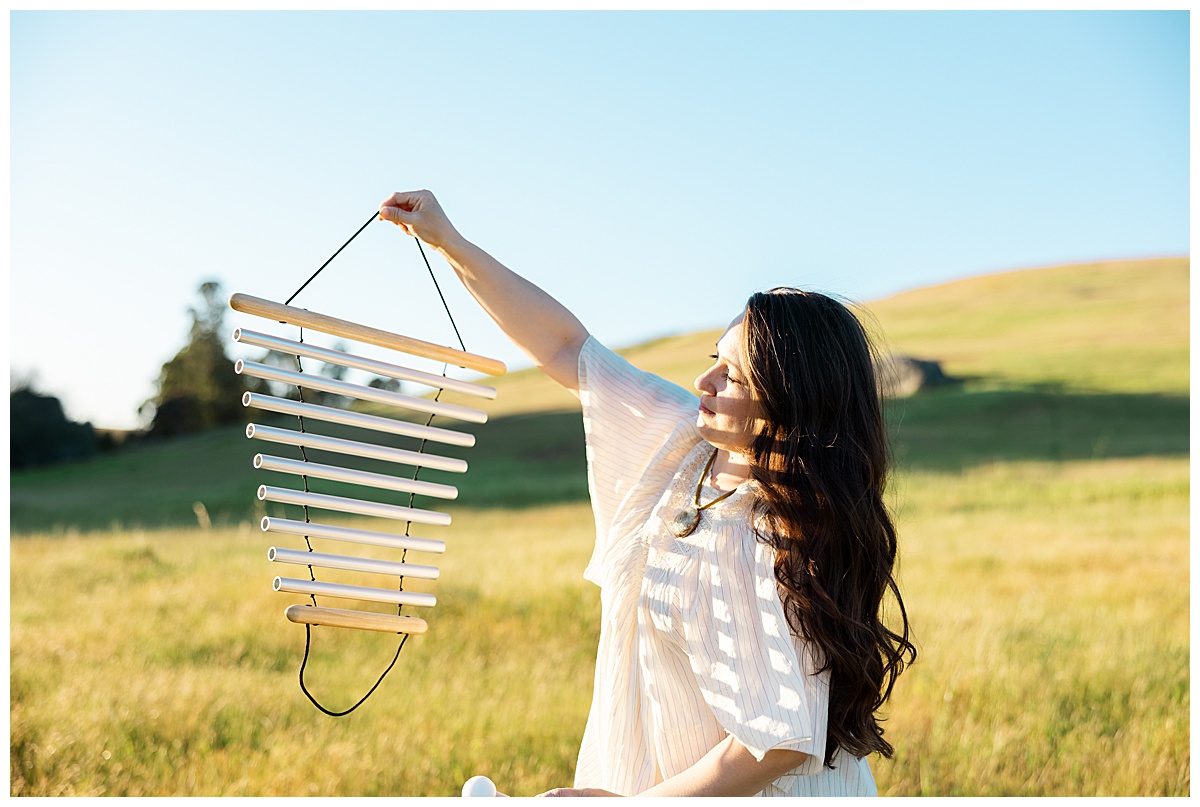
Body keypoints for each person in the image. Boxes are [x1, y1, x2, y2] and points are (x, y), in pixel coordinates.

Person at [379, 190, 916, 797]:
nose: (703, 380)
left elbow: (773, 744)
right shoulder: (684, 444)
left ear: (792, 399)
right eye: (714, 358)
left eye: (732, 373)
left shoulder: (785, 531)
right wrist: (450, 240)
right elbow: (564, 347)